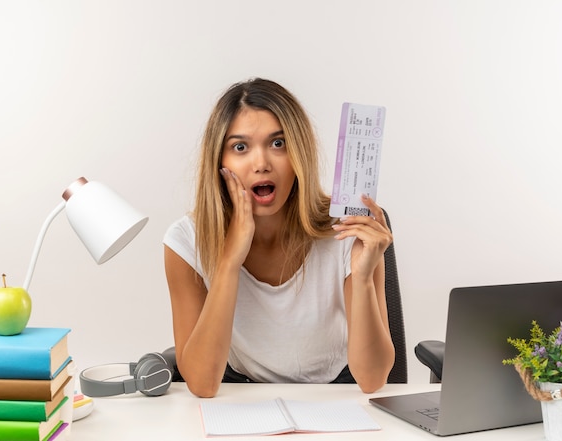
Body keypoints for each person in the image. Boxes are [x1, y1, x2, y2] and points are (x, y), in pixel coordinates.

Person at [163, 78, 394, 398]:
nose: (261, 164)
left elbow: (372, 380)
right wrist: (229, 261)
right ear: (220, 162)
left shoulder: (344, 230)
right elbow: (202, 384)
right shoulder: (186, 240)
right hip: (236, 392)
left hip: (337, 393)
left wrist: (364, 277)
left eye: (278, 143)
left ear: (299, 153)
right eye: (240, 147)